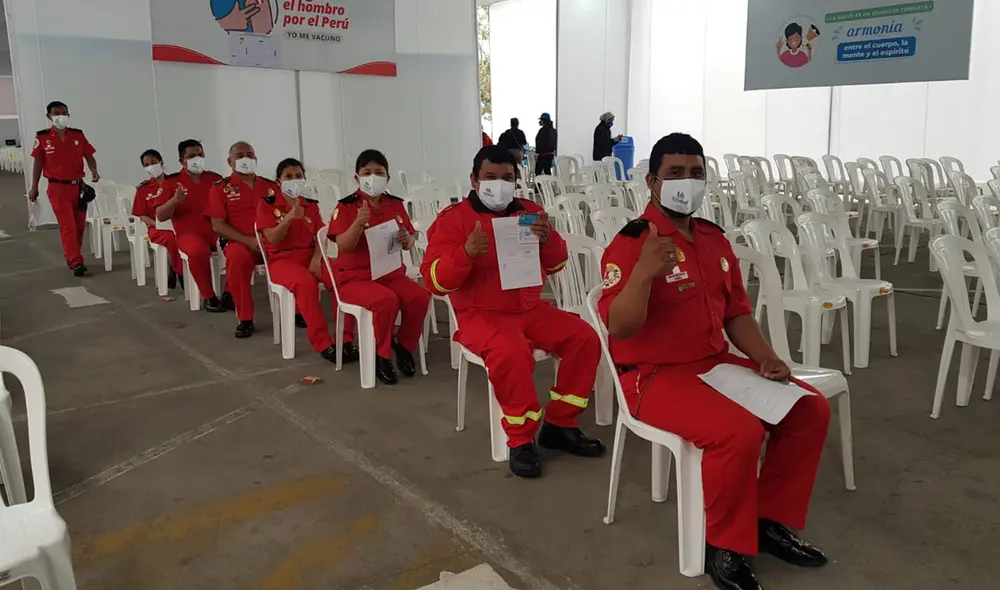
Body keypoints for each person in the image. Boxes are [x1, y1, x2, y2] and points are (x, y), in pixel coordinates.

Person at [598, 133, 830, 590]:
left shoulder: (711, 239)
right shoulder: (632, 243)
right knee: (738, 432)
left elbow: (735, 313)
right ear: (652, 182)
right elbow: (619, 328)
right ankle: (723, 545)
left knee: (809, 409)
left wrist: (765, 357)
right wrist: (643, 274)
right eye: (675, 173)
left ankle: (766, 521)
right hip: (653, 376)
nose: (687, 182)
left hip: (713, 364)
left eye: (696, 173)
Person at [420, 145, 604, 479]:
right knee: (511, 353)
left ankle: (560, 423)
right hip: (480, 314)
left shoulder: (530, 212)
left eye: (507, 178)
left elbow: (557, 264)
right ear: (474, 180)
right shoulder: (454, 220)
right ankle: (520, 439)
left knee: (584, 338)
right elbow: (434, 281)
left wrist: (547, 240)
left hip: (530, 308)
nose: (499, 185)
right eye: (490, 177)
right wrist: (465, 254)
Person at [326, 149, 430, 385]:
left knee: (420, 297)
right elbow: (344, 246)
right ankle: (381, 355)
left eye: (379, 172)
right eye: (367, 172)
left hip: (390, 274)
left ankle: (404, 345)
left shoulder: (395, 205)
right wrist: (358, 223)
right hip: (355, 278)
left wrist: (408, 240)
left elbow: (409, 240)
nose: (373, 177)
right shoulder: (346, 207)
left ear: (387, 177)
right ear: (357, 178)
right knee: (386, 301)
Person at [256, 158, 342, 362]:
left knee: (341, 276)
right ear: (279, 181)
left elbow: (321, 236)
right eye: (288, 177)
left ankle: (344, 339)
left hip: (311, 256)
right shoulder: (267, 204)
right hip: (282, 260)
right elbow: (272, 239)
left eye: (298, 176)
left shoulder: (310, 204)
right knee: (306, 283)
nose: (294, 180)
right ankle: (323, 342)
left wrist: (317, 258)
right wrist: (289, 218)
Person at [207, 141, 274, 338]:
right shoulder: (220, 189)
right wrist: (248, 241)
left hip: (270, 241)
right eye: (240, 156)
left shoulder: (270, 187)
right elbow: (218, 225)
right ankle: (245, 318)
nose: (246, 159)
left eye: (250, 155)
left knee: (295, 255)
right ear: (230, 162)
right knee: (237, 258)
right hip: (240, 243)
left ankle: (296, 312)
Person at [28, 101, 100, 276]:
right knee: (68, 226)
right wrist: (34, 187)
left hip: (78, 187)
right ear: (49, 116)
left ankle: (72, 256)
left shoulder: (78, 135)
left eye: (64, 113)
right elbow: (38, 162)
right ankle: (76, 261)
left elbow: (89, 155)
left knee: (79, 226)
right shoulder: (43, 137)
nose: (61, 116)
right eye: (57, 113)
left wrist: (94, 170)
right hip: (57, 188)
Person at [156, 140, 227, 312]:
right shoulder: (171, 182)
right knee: (197, 252)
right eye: (191, 156)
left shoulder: (215, 179)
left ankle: (229, 294)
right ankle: (209, 297)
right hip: (189, 234)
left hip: (218, 230)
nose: (197, 159)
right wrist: (174, 201)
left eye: (200, 155)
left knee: (239, 249)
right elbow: (160, 215)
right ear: (182, 160)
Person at [132, 149, 181, 290]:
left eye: (153, 162)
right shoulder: (143, 189)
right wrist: (157, 224)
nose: (151, 167)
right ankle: (179, 271)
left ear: (161, 161)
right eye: (146, 165)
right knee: (171, 237)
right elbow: (142, 215)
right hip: (157, 228)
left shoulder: (175, 182)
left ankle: (177, 268)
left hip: (179, 222)